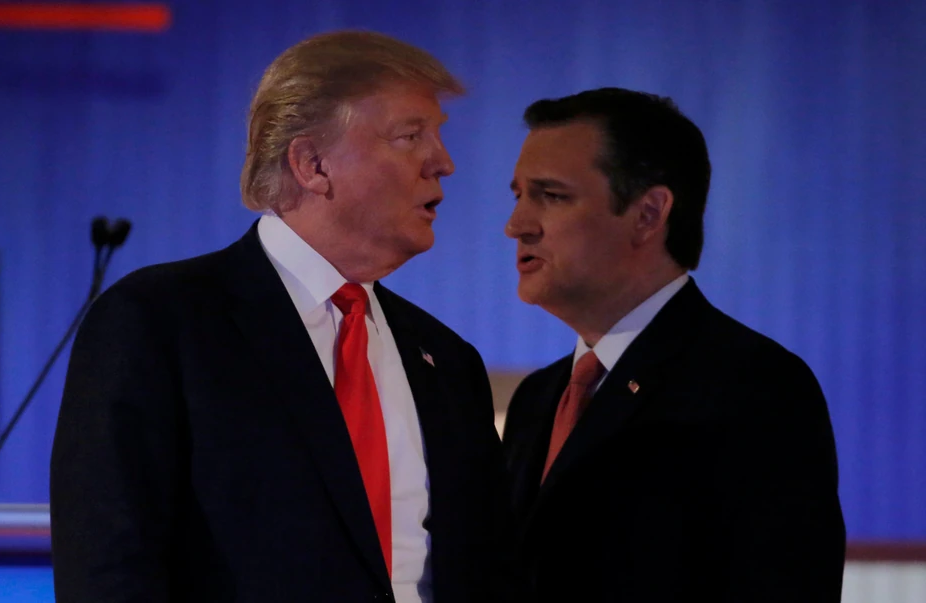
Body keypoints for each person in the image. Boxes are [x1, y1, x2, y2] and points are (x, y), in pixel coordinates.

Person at [51, 30, 512, 603]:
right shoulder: (158, 322)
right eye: (410, 136)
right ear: (312, 163)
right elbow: (108, 568)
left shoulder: (448, 361)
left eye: (437, 137)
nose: (443, 162)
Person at [501, 87, 845, 602]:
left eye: (551, 195)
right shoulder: (537, 398)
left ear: (648, 213)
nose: (517, 225)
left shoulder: (756, 386)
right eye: (518, 196)